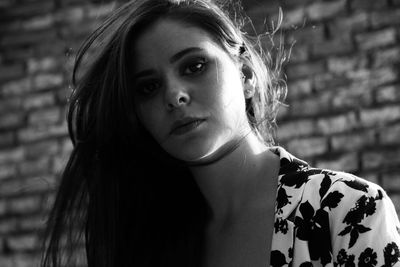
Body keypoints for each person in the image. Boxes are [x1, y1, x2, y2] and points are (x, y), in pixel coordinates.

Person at [40, 0, 400, 266]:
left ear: (245, 74)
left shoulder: (349, 208)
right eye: (147, 88)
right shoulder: (148, 241)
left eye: (194, 66)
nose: (174, 95)